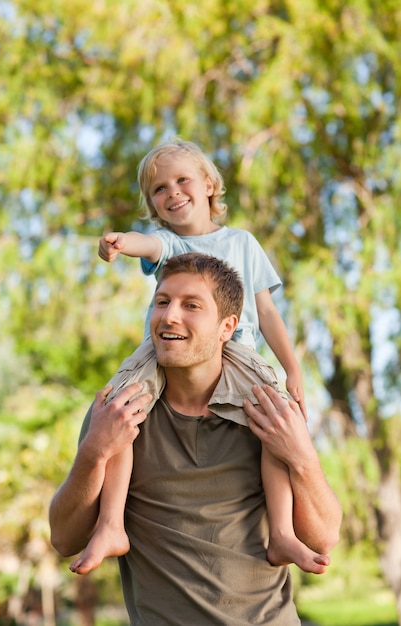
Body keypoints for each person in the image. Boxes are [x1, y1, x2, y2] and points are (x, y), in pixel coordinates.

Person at [49, 253, 342, 625]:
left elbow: (324, 539)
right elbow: (63, 539)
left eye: (191, 305)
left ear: (227, 327)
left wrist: (303, 459)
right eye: (162, 302)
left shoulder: (266, 411)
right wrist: (94, 451)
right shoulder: (119, 412)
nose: (169, 316)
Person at [71, 139, 312, 576]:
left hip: (238, 350)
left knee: (273, 423)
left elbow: (269, 313)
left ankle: (280, 532)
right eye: (159, 189)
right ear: (153, 205)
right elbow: (145, 244)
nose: (172, 192)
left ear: (208, 185)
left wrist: (292, 370)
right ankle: (110, 525)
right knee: (123, 410)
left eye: (182, 180)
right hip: (169, 349)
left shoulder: (242, 242)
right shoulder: (166, 242)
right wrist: (118, 242)